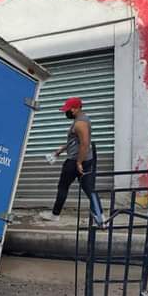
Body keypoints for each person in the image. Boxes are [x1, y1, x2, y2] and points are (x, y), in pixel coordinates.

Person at [41, 97, 103, 226]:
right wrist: (60, 150)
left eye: (68, 110)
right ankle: (99, 216)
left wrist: (79, 162)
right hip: (82, 159)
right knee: (89, 189)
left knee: (63, 187)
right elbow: (75, 141)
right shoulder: (81, 120)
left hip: (76, 161)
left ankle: (55, 215)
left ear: (75, 109)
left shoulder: (80, 123)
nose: (66, 113)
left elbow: (85, 144)